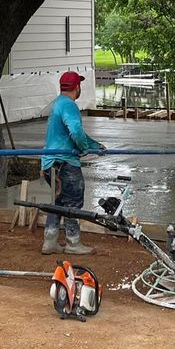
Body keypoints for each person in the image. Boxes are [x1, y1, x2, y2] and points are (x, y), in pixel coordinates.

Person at [40, 71, 105, 255]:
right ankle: (73, 243)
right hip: (65, 163)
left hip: (49, 163)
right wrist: (84, 148)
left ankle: (50, 241)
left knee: (58, 201)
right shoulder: (69, 105)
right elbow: (76, 131)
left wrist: (94, 145)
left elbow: (75, 134)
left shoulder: (58, 104)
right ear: (77, 87)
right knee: (73, 202)